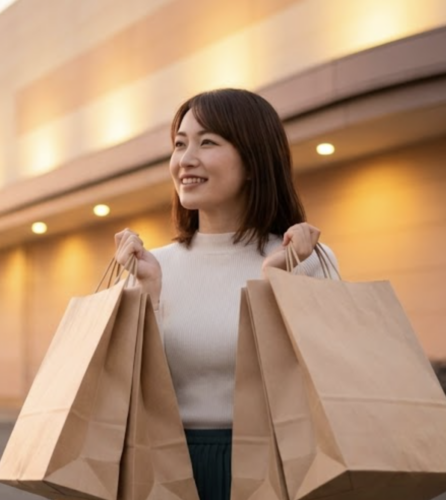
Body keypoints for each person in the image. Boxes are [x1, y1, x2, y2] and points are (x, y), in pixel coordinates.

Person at [114, 88, 337, 500]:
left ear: (253, 161)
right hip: (162, 471)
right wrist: (149, 297)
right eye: (179, 144)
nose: (185, 159)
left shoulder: (302, 258)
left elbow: (331, 383)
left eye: (208, 142)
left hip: (281, 468)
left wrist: (277, 282)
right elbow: (119, 392)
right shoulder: (149, 266)